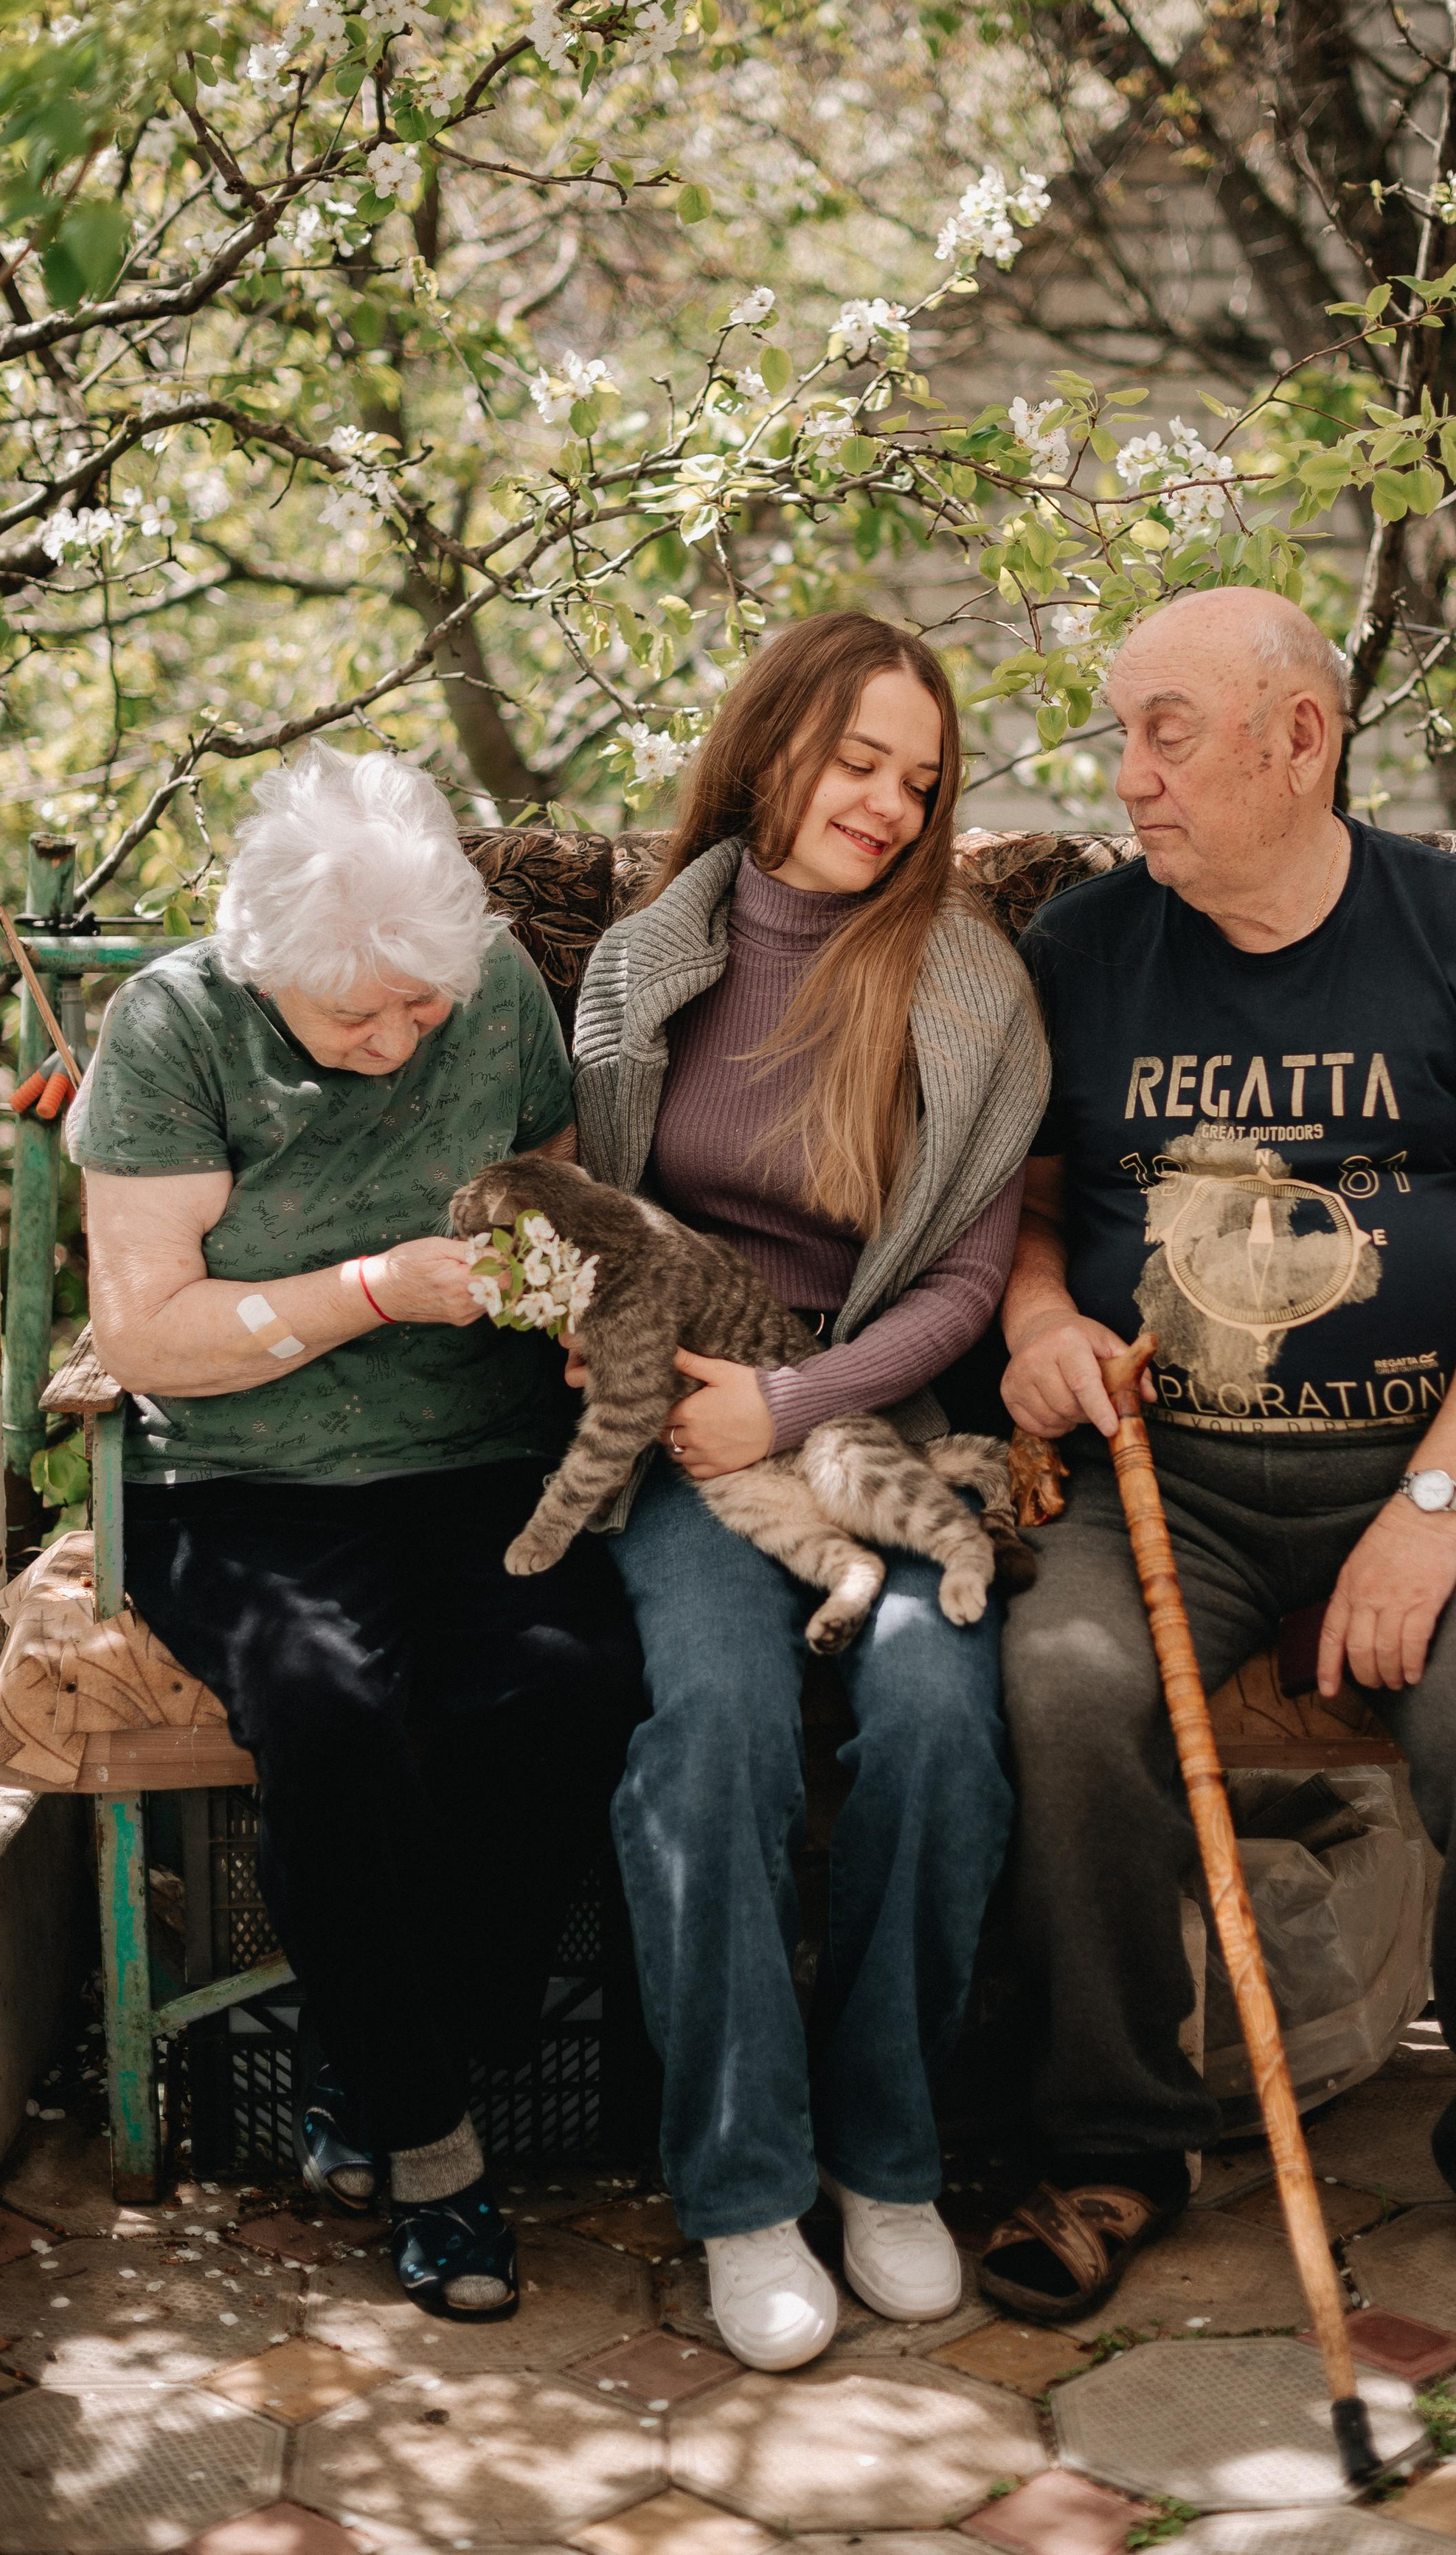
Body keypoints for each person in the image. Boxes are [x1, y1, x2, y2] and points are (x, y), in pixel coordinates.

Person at [978, 585, 1456, 2344]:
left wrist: (1429, 1512)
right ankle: (1113, 2145)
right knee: (1060, 1690)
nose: (1127, 778)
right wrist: (1036, 1320)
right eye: (1121, 737)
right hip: (1165, 1479)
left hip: (1430, 1470)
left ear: (1298, 738)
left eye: (1166, 735)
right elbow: (1024, 1222)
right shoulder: (1083, 951)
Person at [72, 746, 642, 2321]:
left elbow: (556, 1192)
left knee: (574, 1679)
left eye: (421, 1008)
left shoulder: (496, 991)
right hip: (242, 1477)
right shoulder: (177, 1030)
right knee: (329, 1710)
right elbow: (146, 1335)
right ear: (268, 969)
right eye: (353, 1019)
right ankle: (434, 2152)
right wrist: (376, 1287)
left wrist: (571, 1296)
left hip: (475, 1456)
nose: (396, 1041)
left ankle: (381, 2060)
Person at [572, 610, 1047, 2370]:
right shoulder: (645, 967)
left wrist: (786, 1400)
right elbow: (595, 1223)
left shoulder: (967, 992)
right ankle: (744, 2192)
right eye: (856, 761)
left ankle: (886, 2161)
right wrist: (623, 1354)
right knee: (713, 1724)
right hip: (686, 1435)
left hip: (875, 1425)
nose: (886, 806)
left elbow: (965, 1288)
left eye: (917, 782)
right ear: (769, 745)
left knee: (934, 1711)